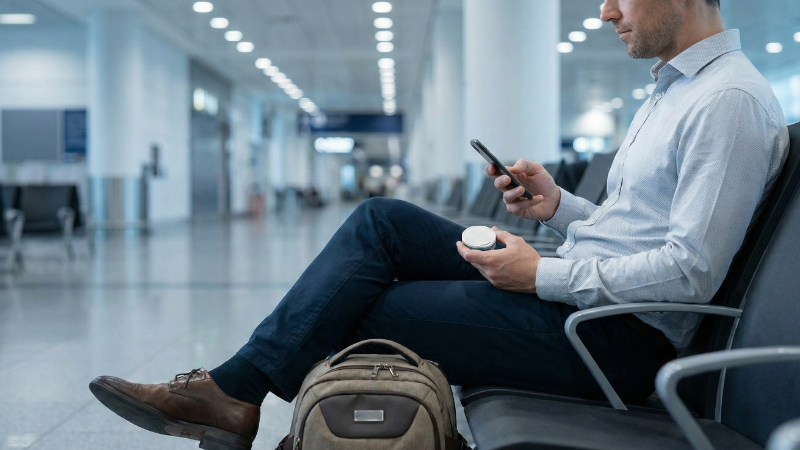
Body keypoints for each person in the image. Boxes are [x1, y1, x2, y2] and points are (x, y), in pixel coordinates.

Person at [89, 1, 789, 449]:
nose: (606, 10)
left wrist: (542, 275)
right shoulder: (671, 93)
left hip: (613, 338)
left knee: (366, 306)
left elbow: (689, 271)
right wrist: (559, 208)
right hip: (587, 299)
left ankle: (235, 395)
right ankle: (235, 389)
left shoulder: (727, 101)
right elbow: (637, 231)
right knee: (382, 222)